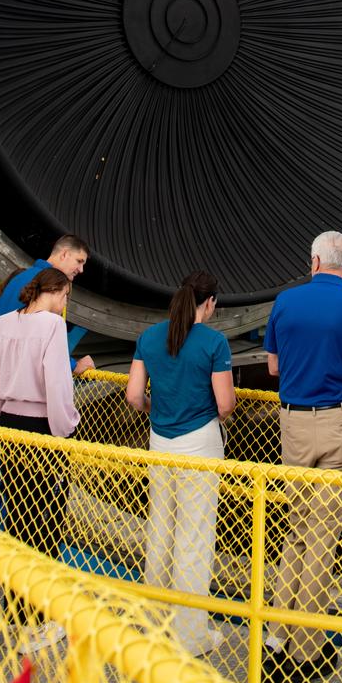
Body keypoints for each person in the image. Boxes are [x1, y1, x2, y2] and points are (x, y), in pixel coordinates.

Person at [262, 230, 342, 683]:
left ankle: (275, 634)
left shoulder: (286, 302)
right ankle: (306, 649)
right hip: (340, 425)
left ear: (314, 260)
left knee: (296, 528)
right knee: (324, 534)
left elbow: (273, 367)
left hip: (294, 424)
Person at [126, 271, 235, 657]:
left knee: (160, 530)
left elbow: (134, 395)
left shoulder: (149, 337)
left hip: (160, 441)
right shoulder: (214, 342)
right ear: (210, 303)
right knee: (194, 538)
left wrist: (157, 409)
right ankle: (191, 637)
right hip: (199, 445)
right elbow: (224, 404)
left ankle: (153, 622)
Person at [0, 267, 80, 652]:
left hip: (9, 423)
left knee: (17, 519)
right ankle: (41, 620)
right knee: (47, 523)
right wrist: (65, 428)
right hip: (43, 429)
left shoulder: (5, 322)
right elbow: (58, 382)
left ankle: (16, 611)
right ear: (55, 293)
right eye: (66, 296)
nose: (65, 304)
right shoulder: (52, 327)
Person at [0, 234, 93, 424]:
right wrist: (73, 365)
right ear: (64, 254)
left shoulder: (24, 278)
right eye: (79, 261)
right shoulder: (33, 282)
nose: (81, 269)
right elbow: (19, 335)